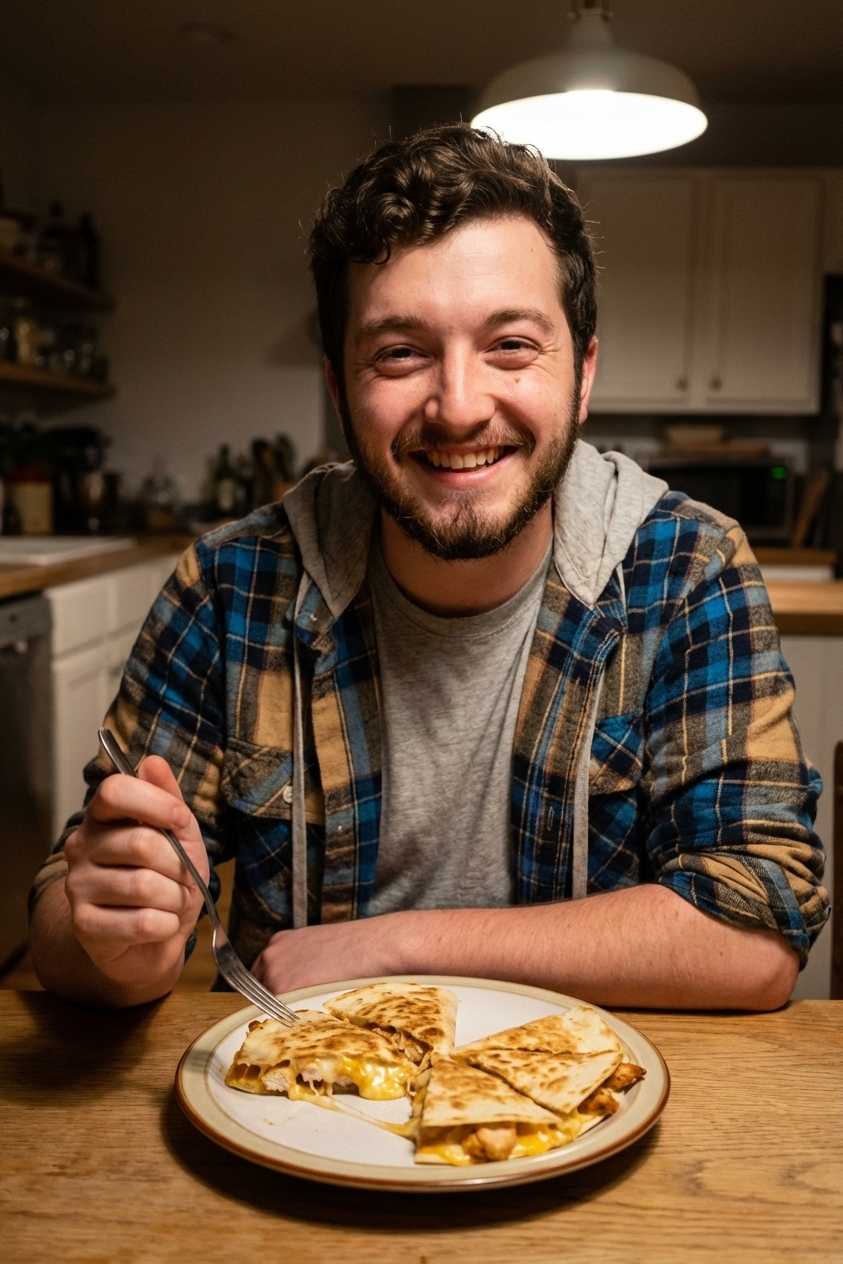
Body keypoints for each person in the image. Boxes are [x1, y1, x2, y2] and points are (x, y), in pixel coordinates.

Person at [29, 125, 827, 1011]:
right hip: (295, 1087)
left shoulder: (686, 569)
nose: (457, 408)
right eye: (400, 353)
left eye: (510, 345)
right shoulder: (230, 583)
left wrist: (394, 947)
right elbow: (66, 918)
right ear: (338, 387)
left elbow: (756, 931)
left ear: (582, 374)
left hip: (585, 1085)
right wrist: (117, 944)